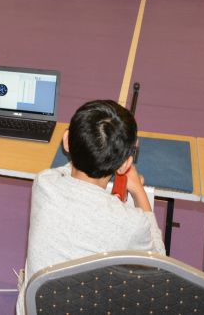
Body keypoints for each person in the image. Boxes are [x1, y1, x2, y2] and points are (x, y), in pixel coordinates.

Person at [18, 99, 165, 314]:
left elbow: (70, 174)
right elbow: (159, 261)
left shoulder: (44, 182)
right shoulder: (132, 223)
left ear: (66, 141)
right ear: (125, 164)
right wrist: (137, 190)